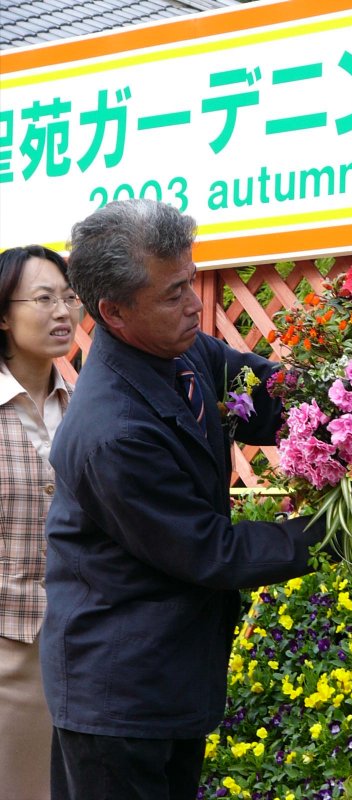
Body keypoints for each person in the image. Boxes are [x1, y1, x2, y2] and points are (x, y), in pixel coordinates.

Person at [40, 199, 333, 800]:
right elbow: (210, 550)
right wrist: (335, 530)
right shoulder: (112, 431)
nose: (195, 304)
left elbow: (270, 397)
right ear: (114, 312)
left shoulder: (184, 352)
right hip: (118, 693)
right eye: (173, 293)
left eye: (191, 281)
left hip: (170, 673)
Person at [0, 245, 79, 800]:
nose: (62, 312)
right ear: (4, 316)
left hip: (78, 652)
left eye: (69, 298)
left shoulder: (82, 407)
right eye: (44, 298)